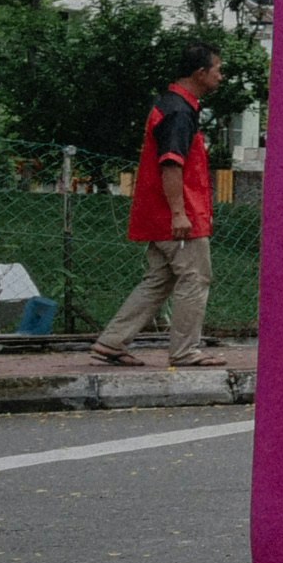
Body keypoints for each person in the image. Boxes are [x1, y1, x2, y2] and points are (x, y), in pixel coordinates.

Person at [92, 45, 225, 368]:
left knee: (159, 280)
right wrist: (179, 213)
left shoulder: (171, 106)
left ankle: (112, 342)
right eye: (218, 70)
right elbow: (171, 164)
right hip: (179, 216)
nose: (220, 77)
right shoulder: (179, 112)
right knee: (195, 278)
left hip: (160, 213)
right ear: (200, 73)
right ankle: (185, 350)